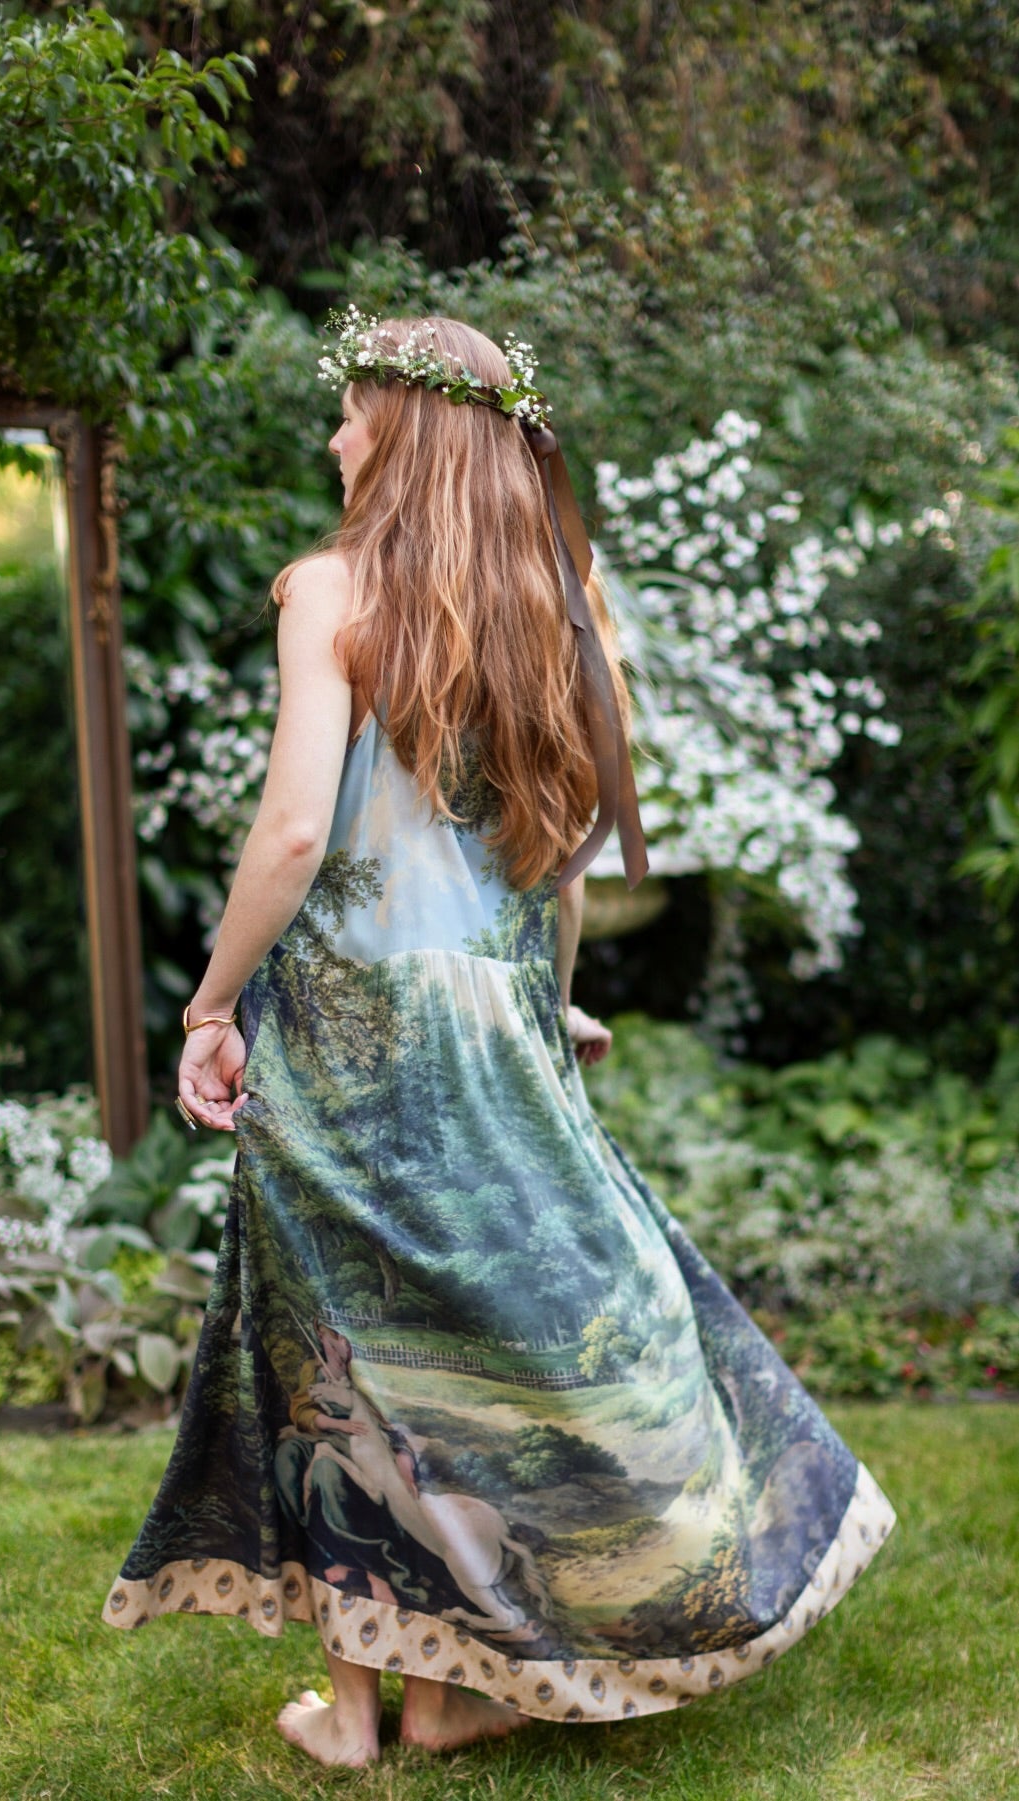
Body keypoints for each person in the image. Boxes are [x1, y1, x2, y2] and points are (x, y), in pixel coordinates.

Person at [102, 314, 896, 1769]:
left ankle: (368, 1712)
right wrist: (549, 1000)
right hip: (487, 1021)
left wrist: (211, 1004)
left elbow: (294, 831)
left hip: (349, 1033)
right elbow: (561, 854)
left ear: (402, 432)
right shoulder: (555, 597)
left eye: (352, 413)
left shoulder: (331, 588)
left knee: (344, 1354)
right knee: (499, 1334)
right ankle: (439, 1693)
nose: (334, 438)